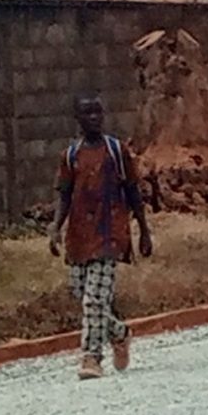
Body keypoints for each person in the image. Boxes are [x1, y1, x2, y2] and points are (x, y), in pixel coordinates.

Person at [49, 96, 153, 381]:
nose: (94, 117)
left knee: (94, 301)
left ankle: (91, 357)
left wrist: (143, 230)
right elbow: (65, 195)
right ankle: (120, 333)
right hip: (80, 236)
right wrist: (55, 228)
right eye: (87, 113)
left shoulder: (116, 151)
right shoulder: (71, 156)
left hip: (111, 234)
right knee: (82, 294)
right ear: (78, 119)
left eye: (98, 112)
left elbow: (133, 191)